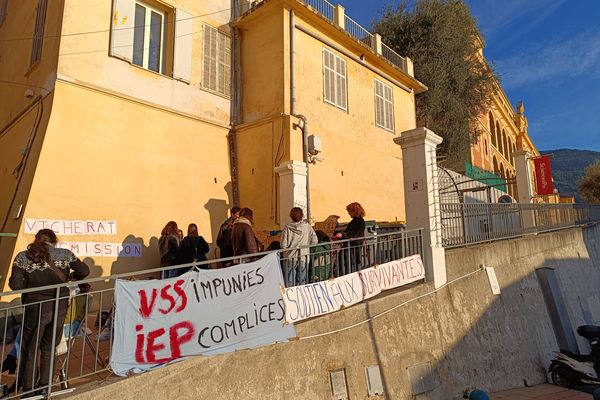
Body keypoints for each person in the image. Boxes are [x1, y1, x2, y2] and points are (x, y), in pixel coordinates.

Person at [9, 229, 89, 397]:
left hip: (35, 306)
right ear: (54, 241)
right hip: (59, 305)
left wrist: (31, 286)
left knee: (31, 348)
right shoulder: (65, 254)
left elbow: (15, 285)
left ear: (37, 239)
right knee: (49, 347)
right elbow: (84, 271)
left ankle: (29, 390)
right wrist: (72, 277)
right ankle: (45, 387)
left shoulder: (23, 257)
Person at [280, 207, 317, 286]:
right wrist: (306, 246)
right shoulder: (307, 227)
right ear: (302, 216)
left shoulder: (287, 228)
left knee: (289, 284)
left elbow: (283, 245)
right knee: (301, 283)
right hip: (304, 256)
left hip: (290, 257)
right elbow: (315, 241)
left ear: (290, 216)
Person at [337, 202, 366, 273]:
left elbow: (353, 234)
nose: (348, 213)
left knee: (352, 265)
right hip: (350, 246)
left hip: (354, 247)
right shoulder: (354, 221)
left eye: (349, 211)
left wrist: (342, 235)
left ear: (354, 211)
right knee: (346, 263)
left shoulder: (360, 221)